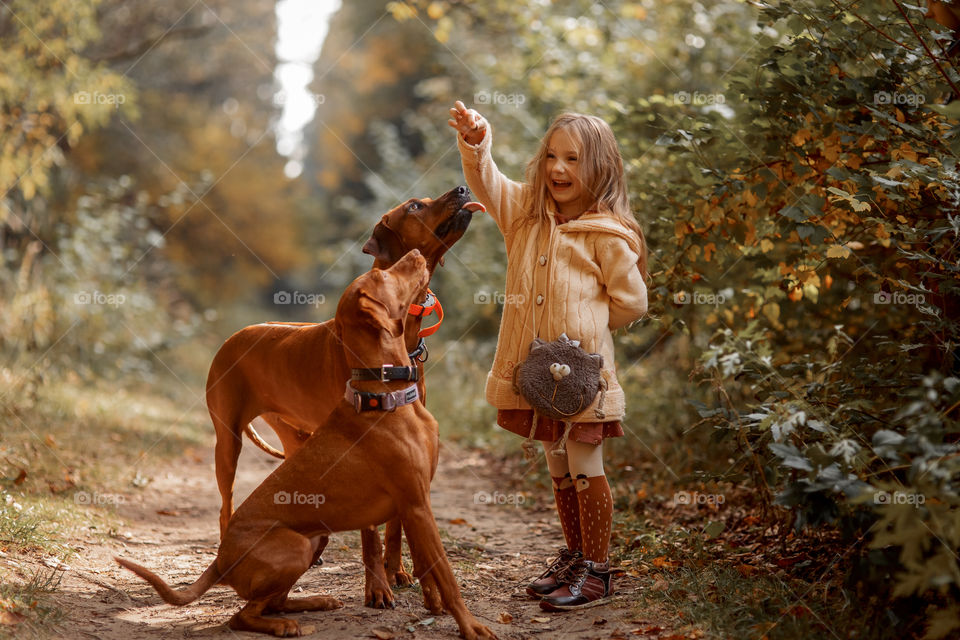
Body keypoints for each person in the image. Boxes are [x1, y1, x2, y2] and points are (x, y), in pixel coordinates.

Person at [448, 100, 649, 610]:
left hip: (583, 378)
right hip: (538, 377)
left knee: (584, 462)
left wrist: (590, 335)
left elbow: (632, 303)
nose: (559, 169)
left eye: (574, 159)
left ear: (599, 168)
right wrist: (476, 141)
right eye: (552, 157)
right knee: (558, 463)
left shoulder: (606, 236)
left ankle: (598, 572)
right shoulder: (524, 215)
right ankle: (577, 556)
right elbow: (488, 180)